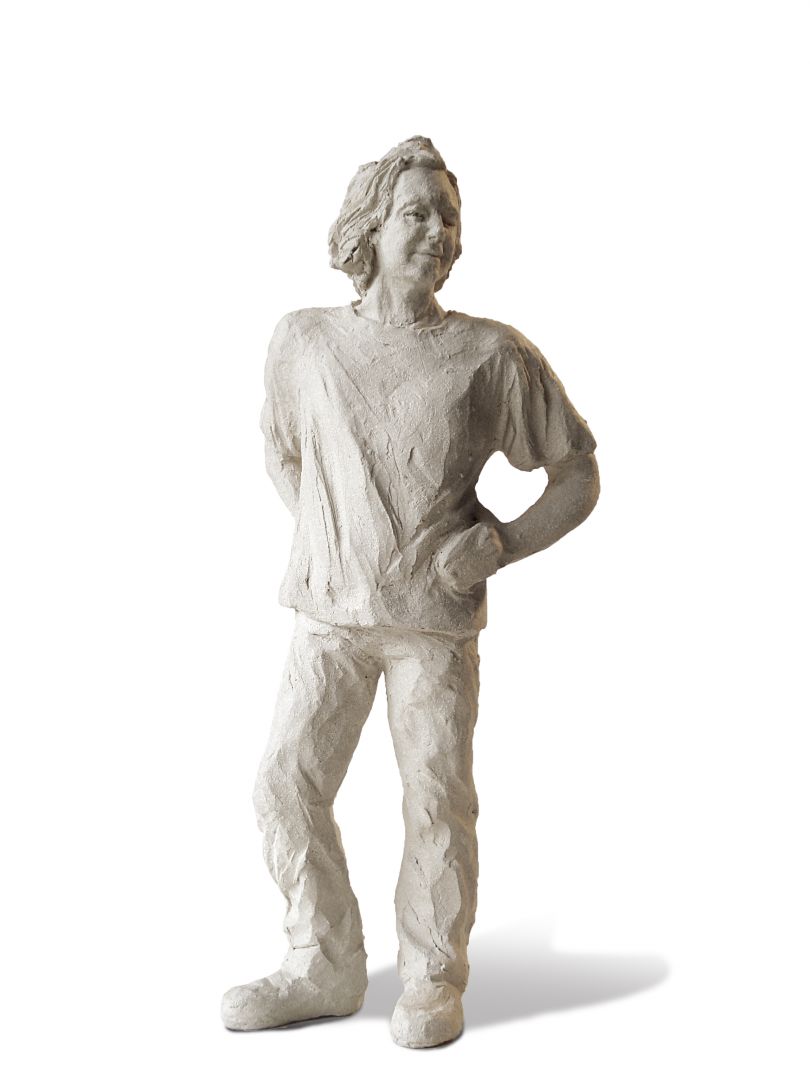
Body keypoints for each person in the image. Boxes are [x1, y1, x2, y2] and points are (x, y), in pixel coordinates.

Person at [221, 136, 599, 1048]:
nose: (438, 232)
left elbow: (577, 474)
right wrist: (329, 536)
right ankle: (323, 962)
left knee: (435, 795)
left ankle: (432, 975)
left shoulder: (488, 354)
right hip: (329, 618)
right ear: (370, 227)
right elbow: (282, 449)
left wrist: (500, 544)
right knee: (284, 784)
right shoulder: (304, 340)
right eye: (417, 213)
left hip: (432, 623)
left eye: (450, 218)